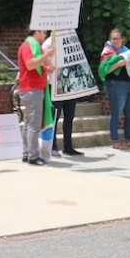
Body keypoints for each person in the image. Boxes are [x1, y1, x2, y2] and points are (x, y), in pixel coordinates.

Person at [43, 33, 85, 157]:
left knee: (69, 116)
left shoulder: (70, 41)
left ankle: (68, 146)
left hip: (70, 84)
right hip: (55, 84)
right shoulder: (49, 42)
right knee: (54, 117)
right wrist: (47, 67)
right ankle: (52, 146)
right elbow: (41, 59)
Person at [98, 29, 130, 150]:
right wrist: (118, 64)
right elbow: (104, 70)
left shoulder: (127, 51)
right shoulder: (108, 52)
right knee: (116, 113)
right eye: (113, 39)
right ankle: (115, 140)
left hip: (129, 84)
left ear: (123, 39)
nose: (116, 41)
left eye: (118, 38)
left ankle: (128, 139)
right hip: (115, 84)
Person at [18, 30, 55, 165]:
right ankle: (33, 156)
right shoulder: (28, 45)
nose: (45, 35)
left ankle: (27, 153)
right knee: (34, 123)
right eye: (44, 33)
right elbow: (30, 64)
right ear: (37, 32)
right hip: (31, 88)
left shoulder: (33, 45)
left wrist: (46, 68)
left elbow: (37, 65)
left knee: (29, 122)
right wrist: (46, 56)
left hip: (33, 88)